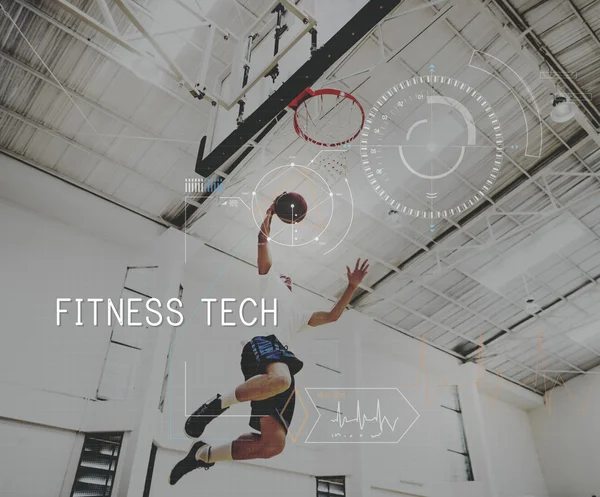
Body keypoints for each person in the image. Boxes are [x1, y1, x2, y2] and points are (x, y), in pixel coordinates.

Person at [169, 200, 369, 485]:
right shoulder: (269, 281)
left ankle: (202, 455)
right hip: (262, 346)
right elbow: (262, 241)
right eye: (283, 275)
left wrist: (351, 286)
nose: (286, 277)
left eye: (290, 278)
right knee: (282, 380)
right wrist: (270, 216)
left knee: (272, 446)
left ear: (293, 285)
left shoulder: (299, 312)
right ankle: (216, 404)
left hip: (280, 361)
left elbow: (333, 316)